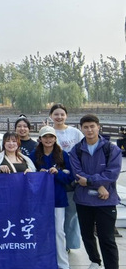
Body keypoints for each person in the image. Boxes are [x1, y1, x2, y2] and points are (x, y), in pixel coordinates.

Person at [70, 114, 121, 269]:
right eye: (86, 127)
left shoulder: (111, 149)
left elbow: (112, 172)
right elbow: (77, 173)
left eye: (92, 126)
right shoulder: (77, 149)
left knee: (107, 239)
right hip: (84, 200)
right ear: (81, 128)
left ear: (98, 127)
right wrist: (97, 184)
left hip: (105, 200)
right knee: (87, 234)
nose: (89, 130)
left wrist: (92, 182)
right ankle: (95, 263)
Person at [29, 126, 73, 269]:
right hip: (39, 199)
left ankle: (63, 262)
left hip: (57, 198)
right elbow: (28, 175)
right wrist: (38, 174)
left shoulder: (63, 155)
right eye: (45, 137)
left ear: (55, 138)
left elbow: (70, 177)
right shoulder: (34, 154)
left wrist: (58, 173)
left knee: (59, 231)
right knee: (39, 230)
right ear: (40, 139)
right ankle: (39, 260)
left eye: (51, 137)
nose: (48, 140)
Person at [48, 103, 84, 252]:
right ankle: (55, 244)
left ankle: (69, 244)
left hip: (72, 179)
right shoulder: (48, 132)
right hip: (54, 180)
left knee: (71, 214)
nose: (59, 117)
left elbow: (83, 152)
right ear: (51, 116)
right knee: (55, 216)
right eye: (56, 114)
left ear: (66, 116)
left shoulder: (75, 133)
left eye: (62, 114)